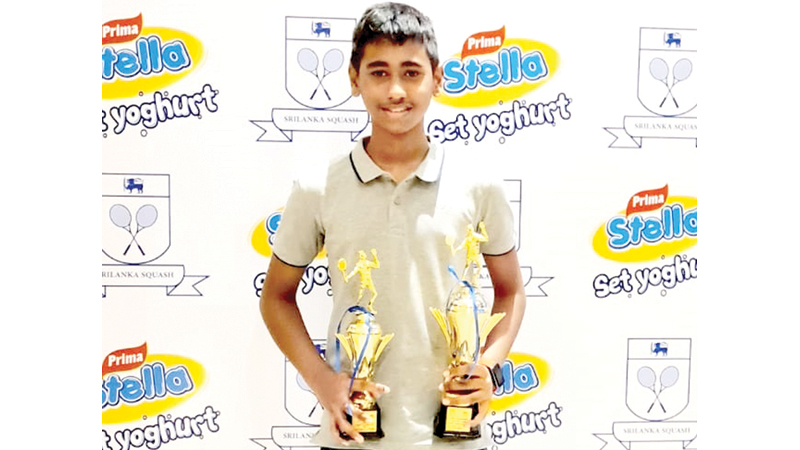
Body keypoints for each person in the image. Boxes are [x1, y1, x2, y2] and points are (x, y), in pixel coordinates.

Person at [260, 3, 526, 449]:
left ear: (437, 78)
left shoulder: (479, 186)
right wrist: (323, 381)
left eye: (411, 72)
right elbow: (276, 297)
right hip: (351, 436)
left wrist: (488, 368)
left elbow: (512, 290)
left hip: (454, 436)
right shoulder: (318, 187)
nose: (396, 90)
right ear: (354, 79)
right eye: (379, 72)